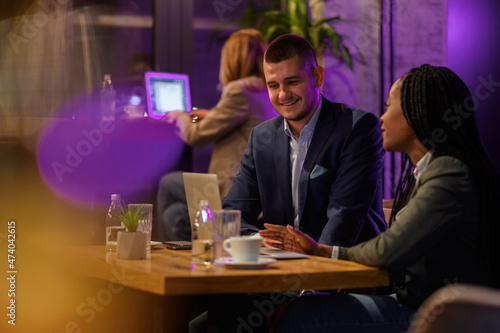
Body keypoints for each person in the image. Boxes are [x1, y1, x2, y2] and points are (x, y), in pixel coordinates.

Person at [260, 64, 500, 332]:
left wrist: (321, 250)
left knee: (302, 315)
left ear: (415, 112)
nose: (382, 118)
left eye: (389, 107)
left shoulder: (449, 173)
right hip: (419, 303)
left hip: (446, 315)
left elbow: (389, 250)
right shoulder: (427, 172)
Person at [223, 34, 387, 247]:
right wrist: (263, 242)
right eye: (273, 85)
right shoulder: (261, 137)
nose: (282, 95)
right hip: (279, 267)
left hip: (344, 270)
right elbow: (232, 215)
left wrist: (311, 256)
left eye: (292, 82)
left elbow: (344, 218)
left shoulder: (358, 128)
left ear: (318, 77)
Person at [156, 29, 276, 241]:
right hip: (261, 191)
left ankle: (179, 256)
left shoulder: (238, 90)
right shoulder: (264, 88)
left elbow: (195, 136)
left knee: (167, 182)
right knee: (175, 215)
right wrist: (211, 114)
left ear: (231, 59)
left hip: (230, 187)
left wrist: (180, 115)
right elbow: (248, 119)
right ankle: (190, 256)